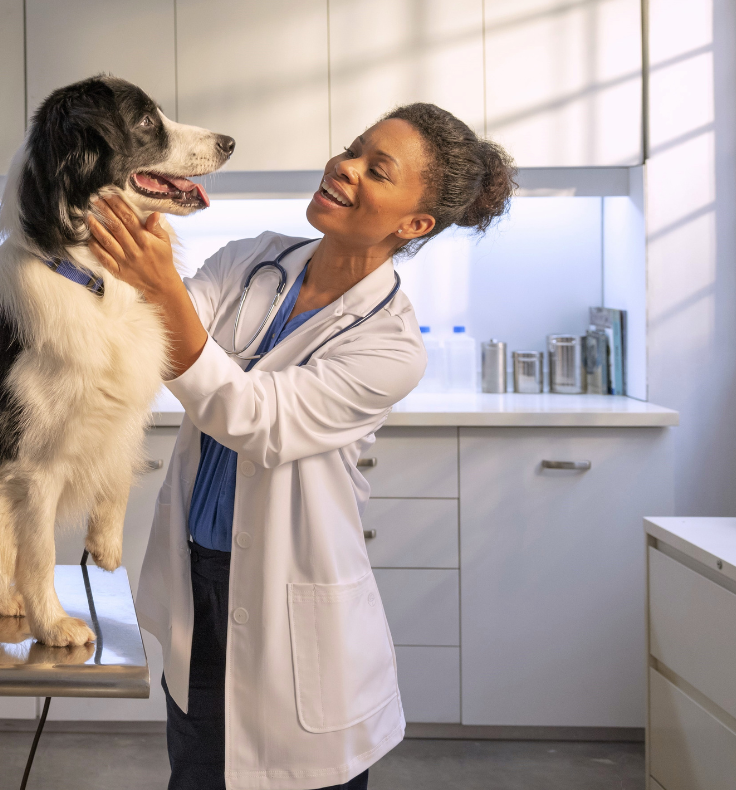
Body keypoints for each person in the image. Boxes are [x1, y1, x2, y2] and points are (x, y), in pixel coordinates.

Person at [89, 103, 516, 790]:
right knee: (197, 775)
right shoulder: (249, 260)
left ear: (415, 224)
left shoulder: (392, 345)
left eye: (377, 170)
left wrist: (161, 284)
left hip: (296, 614)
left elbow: (254, 416)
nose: (344, 166)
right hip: (199, 586)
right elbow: (144, 337)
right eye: (352, 149)